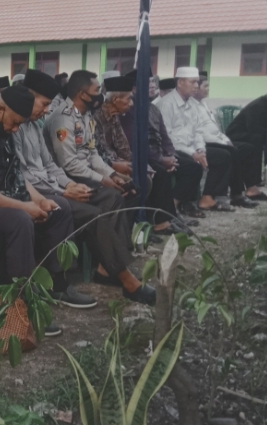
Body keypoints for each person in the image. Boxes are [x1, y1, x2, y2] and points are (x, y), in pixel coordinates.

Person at [0, 84, 96, 309]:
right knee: (19, 220)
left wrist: (38, 200)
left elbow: (16, 174)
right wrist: (24, 206)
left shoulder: (5, 128)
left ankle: (58, 284)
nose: (15, 130)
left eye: (19, 125)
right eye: (14, 123)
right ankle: (23, 301)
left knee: (58, 208)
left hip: (0, 196)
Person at [16, 69, 155, 305]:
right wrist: (69, 188)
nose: (47, 110)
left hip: (60, 181)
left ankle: (108, 266)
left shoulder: (41, 124)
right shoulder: (55, 120)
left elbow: (66, 161)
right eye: (45, 103)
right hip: (46, 188)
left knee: (122, 193)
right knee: (97, 210)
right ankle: (122, 277)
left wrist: (108, 175)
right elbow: (55, 166)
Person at [94, 75, 186, 236]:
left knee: (146, 174)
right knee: (140, 182)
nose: (131, 103)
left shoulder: (114, 116)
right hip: (101, 166)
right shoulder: (97, 117)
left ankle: (138, 227)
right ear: (115, 100)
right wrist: (116, 164)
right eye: (128, 99)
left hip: (114, 161)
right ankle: (128, 230)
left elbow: (123, 146)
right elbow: (99, 150)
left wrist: (138, 164)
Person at [44, 71, 141, 212]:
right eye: (97, 90)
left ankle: (123, 226)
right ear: (83, 95)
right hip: (69, 178)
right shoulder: (63, 119)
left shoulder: (86, 115)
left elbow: (92, 152)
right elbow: (69, 164)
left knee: (131, 188)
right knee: (114, 196)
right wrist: (101, 179)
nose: (100, 95)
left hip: (87, 173)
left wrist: (111, 174)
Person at [159, 67, 234, 214]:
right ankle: (173, 208)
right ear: (180, 83)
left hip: (191, 148)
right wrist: (193, 153)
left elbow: (198, 131)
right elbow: (167, 137)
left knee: (223, 156)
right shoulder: (166, 104)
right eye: (192, 82)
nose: (196, 86)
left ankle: (207, 197)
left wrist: (201, 150)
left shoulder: (193, 104)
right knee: (193, 166)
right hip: (171, 149)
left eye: (197, 83)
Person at [193, 74, 263, 207]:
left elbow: (215, 129)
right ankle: (236, 194)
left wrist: (225, 139)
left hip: (216, 139)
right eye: (205, 86)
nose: (208, 89)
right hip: (204, 142)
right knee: (231, 152)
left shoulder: (203, 104)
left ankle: (250, 186)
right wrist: (223, 142)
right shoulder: (192, 106)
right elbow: (202, 133)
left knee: (248, 148)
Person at [227, 87, 267, 183]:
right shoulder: (257, 106)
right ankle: (254, 179)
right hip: (238, 134)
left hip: (255, 133)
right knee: (257, 139)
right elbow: (254, 129)